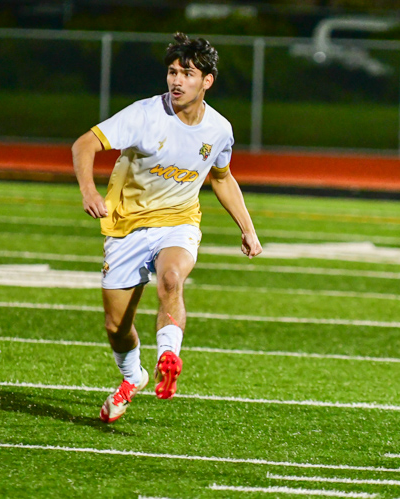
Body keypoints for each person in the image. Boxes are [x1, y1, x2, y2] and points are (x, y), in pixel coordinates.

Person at [71, 32, 262, 423]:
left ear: (207, 81)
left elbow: (222, 177)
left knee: (172, 278)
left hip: (178, 221)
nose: (177, 81)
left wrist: (247, 227)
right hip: (125, 227)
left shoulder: (219, 130)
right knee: (116, 326)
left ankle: (168, 356)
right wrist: (89, 191)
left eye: (187, 74)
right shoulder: (143, 115)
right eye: (173, 72)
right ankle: (133, 377)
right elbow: (83, 145)